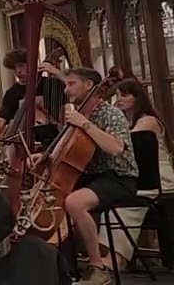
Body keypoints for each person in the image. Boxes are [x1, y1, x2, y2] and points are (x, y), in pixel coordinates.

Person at [44, 68, 138, 285]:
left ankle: (98, 268)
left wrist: (85, 124)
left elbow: (115, 148)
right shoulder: (80, 114)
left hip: (119, 177)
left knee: (74, 203)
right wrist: (45, 156)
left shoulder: (110, 114)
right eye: (66, 85)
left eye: (71, 84)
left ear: (89, 85)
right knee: (52, 199)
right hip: (92, 176)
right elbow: (69, 151)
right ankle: (64, 266)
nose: (66, 90)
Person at [109, 78, 174, 270]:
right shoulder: (127, 122)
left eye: (124, 95)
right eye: (116, 96)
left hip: (158, 178)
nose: (119, 100)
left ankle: (116, 259)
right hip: (138, 177)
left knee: (123, 203)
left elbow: (125, 144)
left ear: (138, 98)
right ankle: (110, 257)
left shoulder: (148, 121)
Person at [0, 49, 64, 140]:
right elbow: (3, 117)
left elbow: (74, 87)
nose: (18, 71)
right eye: (14, 67)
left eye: (21, 66)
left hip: (54, 136)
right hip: (23, 140)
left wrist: (56, 72)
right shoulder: (12, 92)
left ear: (32, 65)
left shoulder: (50, 83)